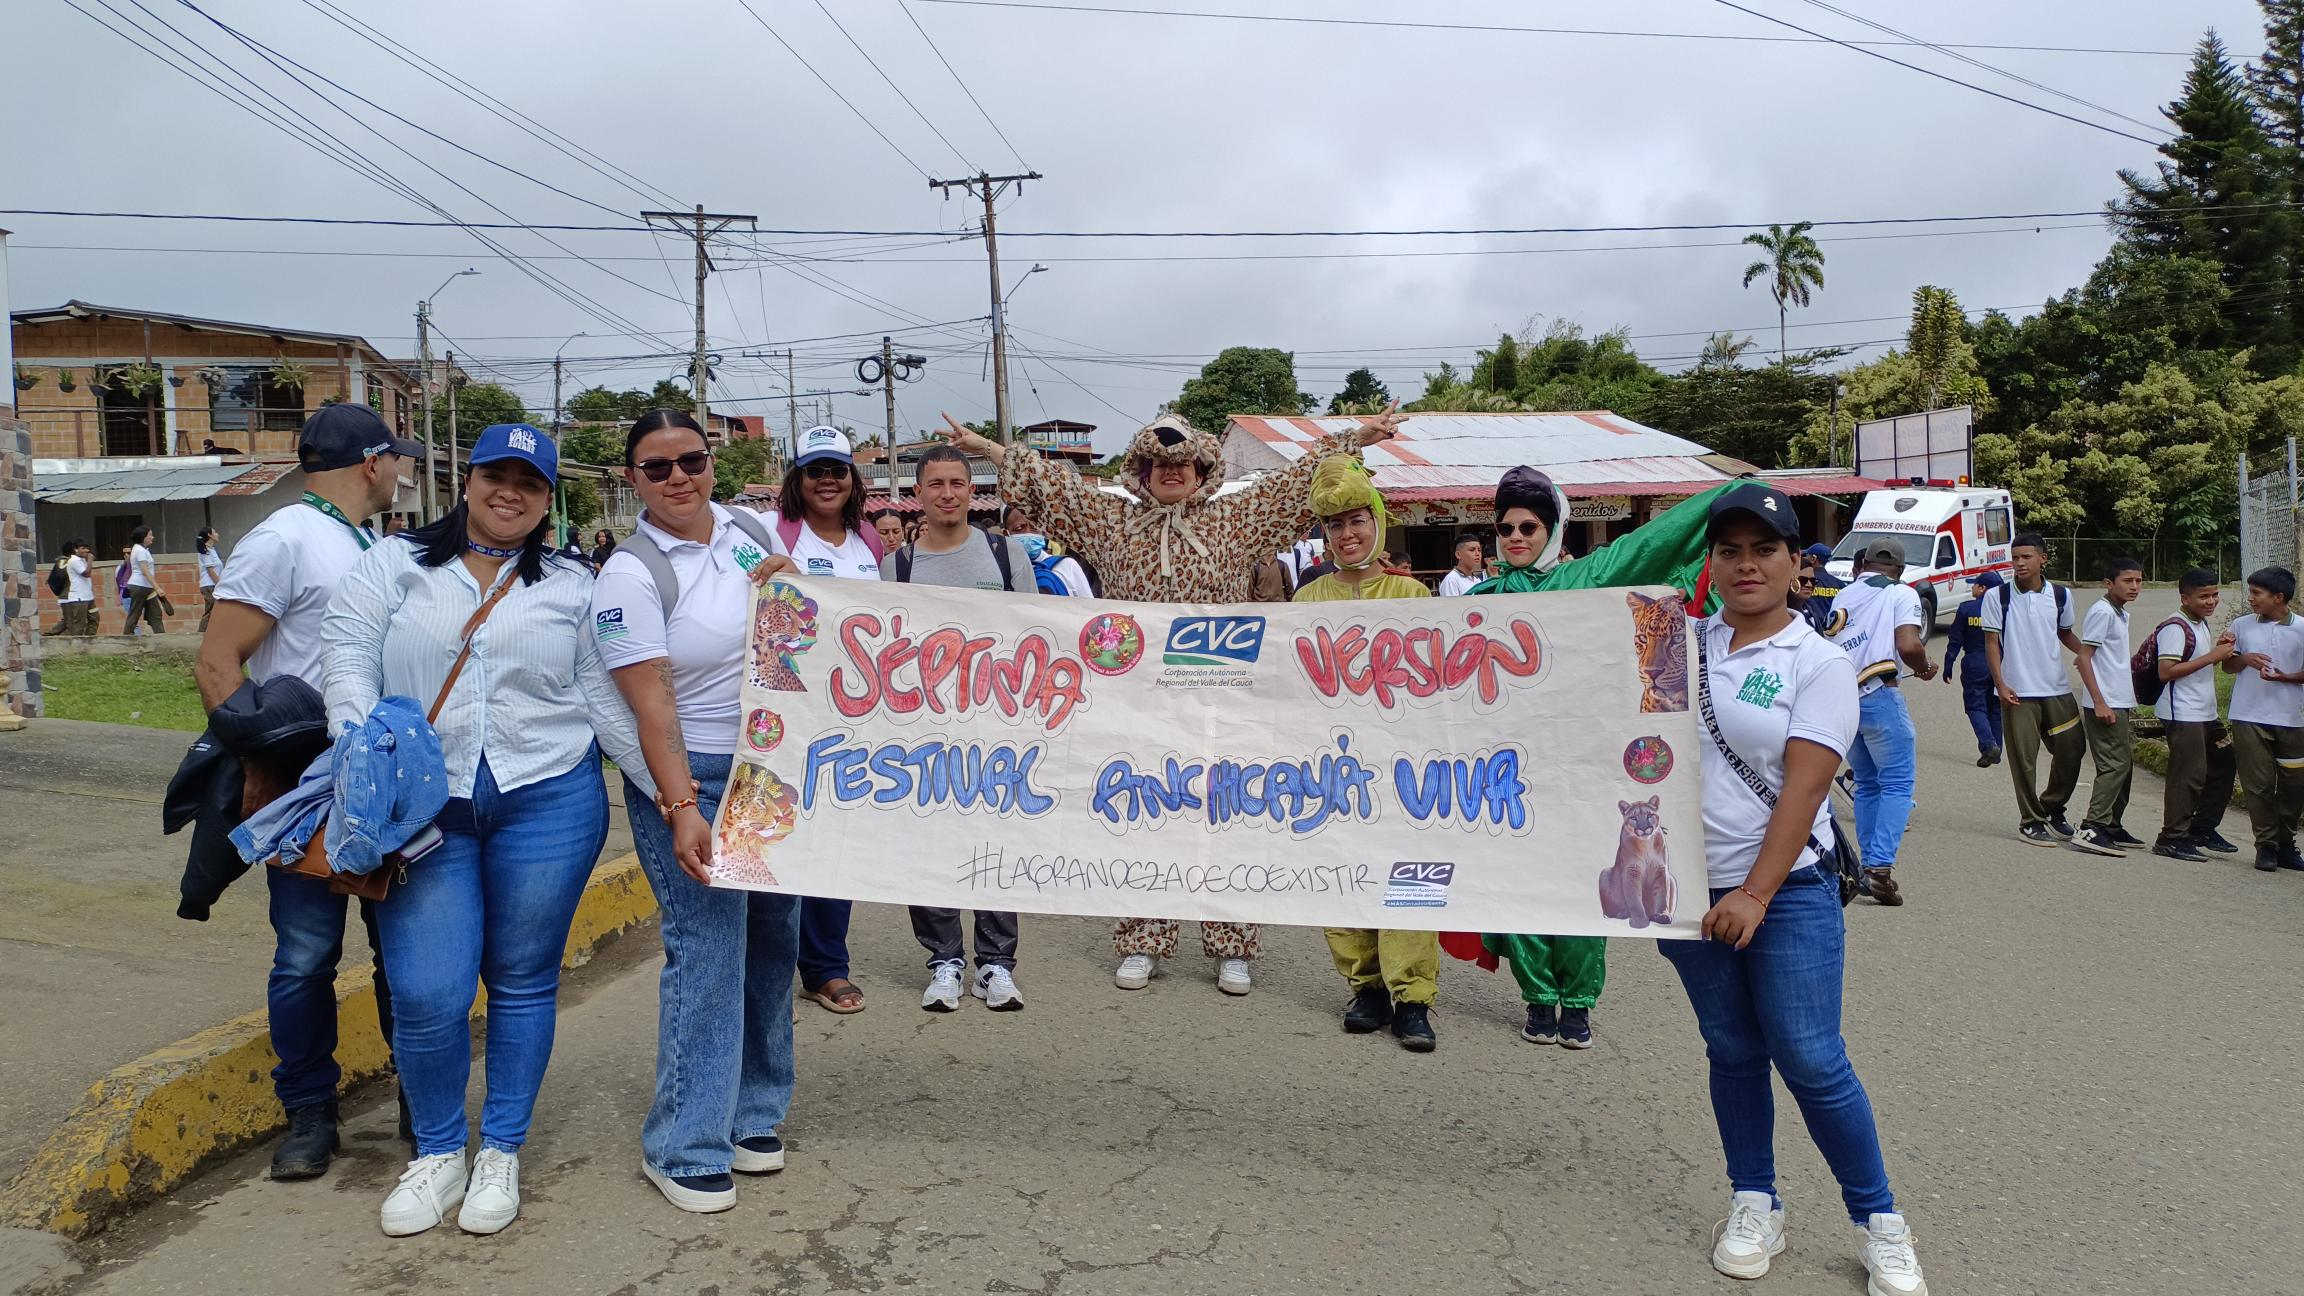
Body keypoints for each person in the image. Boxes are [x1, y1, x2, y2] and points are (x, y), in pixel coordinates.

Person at [939, 403, 1403, 995]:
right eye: (1156, 462)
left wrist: (1356, 436)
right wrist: (984, 446)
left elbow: (1298, 478)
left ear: (1203, 466)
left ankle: (1232, 943)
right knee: (1142, 814)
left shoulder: (1238, 517)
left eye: (1181, 461)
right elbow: (1051, 484)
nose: (1169, 470)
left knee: (1228, 814)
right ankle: (1142, 938)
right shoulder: (1112, 522)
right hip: (1141, 701)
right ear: (1140, 469)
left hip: (1226, 698)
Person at [324, 423, 641, 1237]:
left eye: (529, 484)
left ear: (546, 500)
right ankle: (438, 1154)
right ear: (466, 481)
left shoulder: (573, 583)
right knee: (429, 993)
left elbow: (604, 698)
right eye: (496, 476)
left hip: (549, 798)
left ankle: (500, 1149)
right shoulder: (394, 566)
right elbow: (349, 657)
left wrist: (672, 798)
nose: (511, 493)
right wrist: (367, 755)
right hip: (424, 812)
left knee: (524, 977)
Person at [1664, 482, 1927, 1294]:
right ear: (1711, 563)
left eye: (1764, 550)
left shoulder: (1819, 663)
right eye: (1730, 551)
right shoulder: (1675, 646)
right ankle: (1755, 1200)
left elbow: (1803, 793)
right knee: (1733, 1050)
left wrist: (1754, 894)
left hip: (1788, 893)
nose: (1746, 565)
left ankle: (1880, 1221)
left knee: (1811, 1058)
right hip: (1683, 890)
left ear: (1795, 567)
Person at [193, 403, 420, 1184]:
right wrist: (259, 767)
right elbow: (219, 662)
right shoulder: (285, 536)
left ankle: (419, 1102)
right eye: (398, 460)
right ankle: (310, 1114)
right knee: (305, 955)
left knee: (402, 951)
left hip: (379, 777)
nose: (402, 473)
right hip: (306, 780)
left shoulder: (369, 541)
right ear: (372, 461)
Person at [589, 409, 803, 1215]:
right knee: (709, 949)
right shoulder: (631, 575)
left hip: (770, 771)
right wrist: (681, 805)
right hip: (695, 776)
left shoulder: (745, 531)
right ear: (632, 479)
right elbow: (651, 707)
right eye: (657, 467)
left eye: (692, 459)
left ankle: (752, 1115)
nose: (679, 476)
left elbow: (794, 629)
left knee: (773, 940)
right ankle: (685, 1141)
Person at [1291, 457, 1439, 1052]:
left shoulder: (1414, 594)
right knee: (1342, 872)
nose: (1347, 534)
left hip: (1403, 765)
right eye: (1334, 526)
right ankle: (1366, 986)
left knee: (1407, 875)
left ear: (1377, 522)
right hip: (1330, 765)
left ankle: (1413, 998)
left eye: (1357, 520)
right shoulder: (1305, 601)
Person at [883, 445, 1037, 1011]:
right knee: (928, 843)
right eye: (935, 484)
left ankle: (996, 965)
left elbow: (1035, 637)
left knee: (997, 843)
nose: (947, 493)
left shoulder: (1005, 553)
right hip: (922, 730)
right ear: (917, 493)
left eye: (957, 483)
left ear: (974, 492)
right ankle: (943, 960)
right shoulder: (896, 565)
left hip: (998, 726)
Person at [1468, 466, 1610, 1048]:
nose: (1516, 537)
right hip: (1504, 775)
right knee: (1517, 886)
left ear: (1552, 528)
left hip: (1577, 770)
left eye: (1529, 526)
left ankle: (1577, 1001)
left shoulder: (1590, 584)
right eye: (1505, 529)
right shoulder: (1478, 602)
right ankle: (1537, 998)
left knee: (1578, 887)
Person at [768, 425, 887, 1013]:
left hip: (855, 710)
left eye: (837, 470)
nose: (827, 481)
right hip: (787, 705)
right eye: (815, 470)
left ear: (852, 479)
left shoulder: (870, 541)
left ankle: (824, 967)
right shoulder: (771, 531)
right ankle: (764, 968)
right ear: (798, 478)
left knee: (834, 837)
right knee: (776, 828)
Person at [1824, 541, 1936, 905]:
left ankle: (1870, 867)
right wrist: (1925, 667)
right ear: (1900, 570)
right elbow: (1907, 645)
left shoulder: (1844, 595)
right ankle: (1880, 866)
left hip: (1845, 701)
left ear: (1861, 565)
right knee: (1898, 782)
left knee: (1868, 784)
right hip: (1880, 695)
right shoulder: (1901, 593)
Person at [1983, 533, 2105, 846]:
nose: (2019, 563)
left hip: (2056, 689)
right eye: (2015, 557)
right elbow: (1992, 644)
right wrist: (2000, 684)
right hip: (2018, 692)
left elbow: (2065, 633)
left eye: (2026, 557)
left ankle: (2051, 807)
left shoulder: (2061, 595)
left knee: (2072, 749)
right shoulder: (1997, 597)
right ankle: (2030, 821)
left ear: (2043, 559)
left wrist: (2088, 659)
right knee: (2024, 760)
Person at [2151, 571, 2241, 862]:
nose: (2211, 601)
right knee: (2188, 776)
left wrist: (2219, 650)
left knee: (2225, 763)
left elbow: (2199, 662)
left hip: (2204, 713)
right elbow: (2166, 672)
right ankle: (2171, 837)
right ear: (2185, 598)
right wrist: (2213, 656)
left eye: (2215, 594)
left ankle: (2201, 828)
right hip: (2183, 714)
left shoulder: (2198, 622)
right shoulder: (2175, 627)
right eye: (2203, 596)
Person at [2222, 566, 2304, 873]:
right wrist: (2243, 659)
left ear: (2278, 597)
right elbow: (2228, 667)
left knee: (2295, 785)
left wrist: (2286, 677)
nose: (2251, 598)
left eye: (2257, 593)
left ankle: (2286, 842)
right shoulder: (2242, 626)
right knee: (2258, 785)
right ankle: (2266, 846)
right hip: (2248, 716)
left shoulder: (2302, 629)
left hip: (2292, 719)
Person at [2071, 558, 2144, 857]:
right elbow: (2083, 658)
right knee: (2113, 765)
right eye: (2128, 581)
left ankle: (2112, 824)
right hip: (2105, 703)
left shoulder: (2119, 613)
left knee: (2123, 766)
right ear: (2109, 583)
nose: (2135, 587)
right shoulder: (2102, 612)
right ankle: (2092, 827)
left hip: (2118, 700)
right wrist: (2099, 702)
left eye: (2138, 581)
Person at [1939, 573, 2005, 767]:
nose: (1972, 588)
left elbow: (1955, 639)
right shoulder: (2004, 609)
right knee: (1995, 707)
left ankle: (1988, 744)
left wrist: (1948, 664)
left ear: (1982, 588)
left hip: (1975, 662)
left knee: (1975, 706)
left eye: (1974, 585)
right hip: (2000, 662)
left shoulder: (1967, 609)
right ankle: (1995, 750)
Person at [123, 525, 166, 636]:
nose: (152, 537)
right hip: (139, 586)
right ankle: (127, 638)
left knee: (155, 613)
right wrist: (157, 587)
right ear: (143, 537)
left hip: (147, 587)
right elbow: (145, 570)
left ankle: (162, 638)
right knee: (135, 614)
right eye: (150, 535)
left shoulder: (143, 550)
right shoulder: (139, 550)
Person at [59, 539, 99, 637]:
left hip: (88, 597)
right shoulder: (73, 561)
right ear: (76, 550)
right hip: (79, 598)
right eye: (83, 548)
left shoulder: (82, 561)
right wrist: (90, 561)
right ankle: (76, 647)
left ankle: (89, 643)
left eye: (87, 548)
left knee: (94, 619)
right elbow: (86, 573)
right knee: (79, 625)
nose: (86, 551)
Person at [195, 527, 224, 631]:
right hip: (209, 585)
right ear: (209, 535)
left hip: (214, 584)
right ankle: (200, 635)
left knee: (215, 612)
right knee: (210, 612)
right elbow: (211, 571)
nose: (217, 534)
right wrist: (220, 584)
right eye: (215, 532)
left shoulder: (212, 550)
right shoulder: (205, 551)